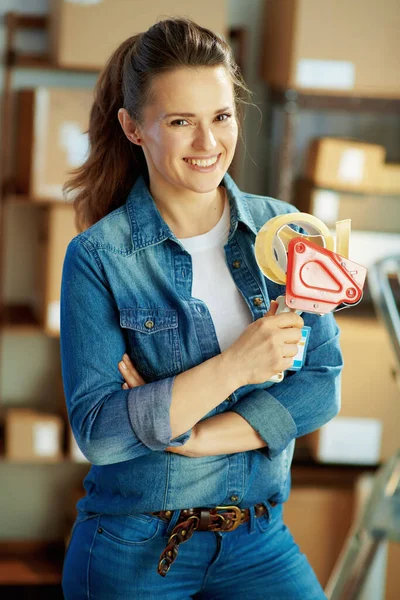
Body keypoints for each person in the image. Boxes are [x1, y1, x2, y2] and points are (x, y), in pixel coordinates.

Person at [60, 17, 343, 600]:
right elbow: (102, 434)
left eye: (221, 117)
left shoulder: (284, 229)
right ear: (134, 128)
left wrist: (189, 434)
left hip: (257, 537)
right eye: (181, 121)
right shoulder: (97, 257)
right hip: (134, 549)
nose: (208, 144)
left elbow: (321, 387)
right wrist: (238, 366)